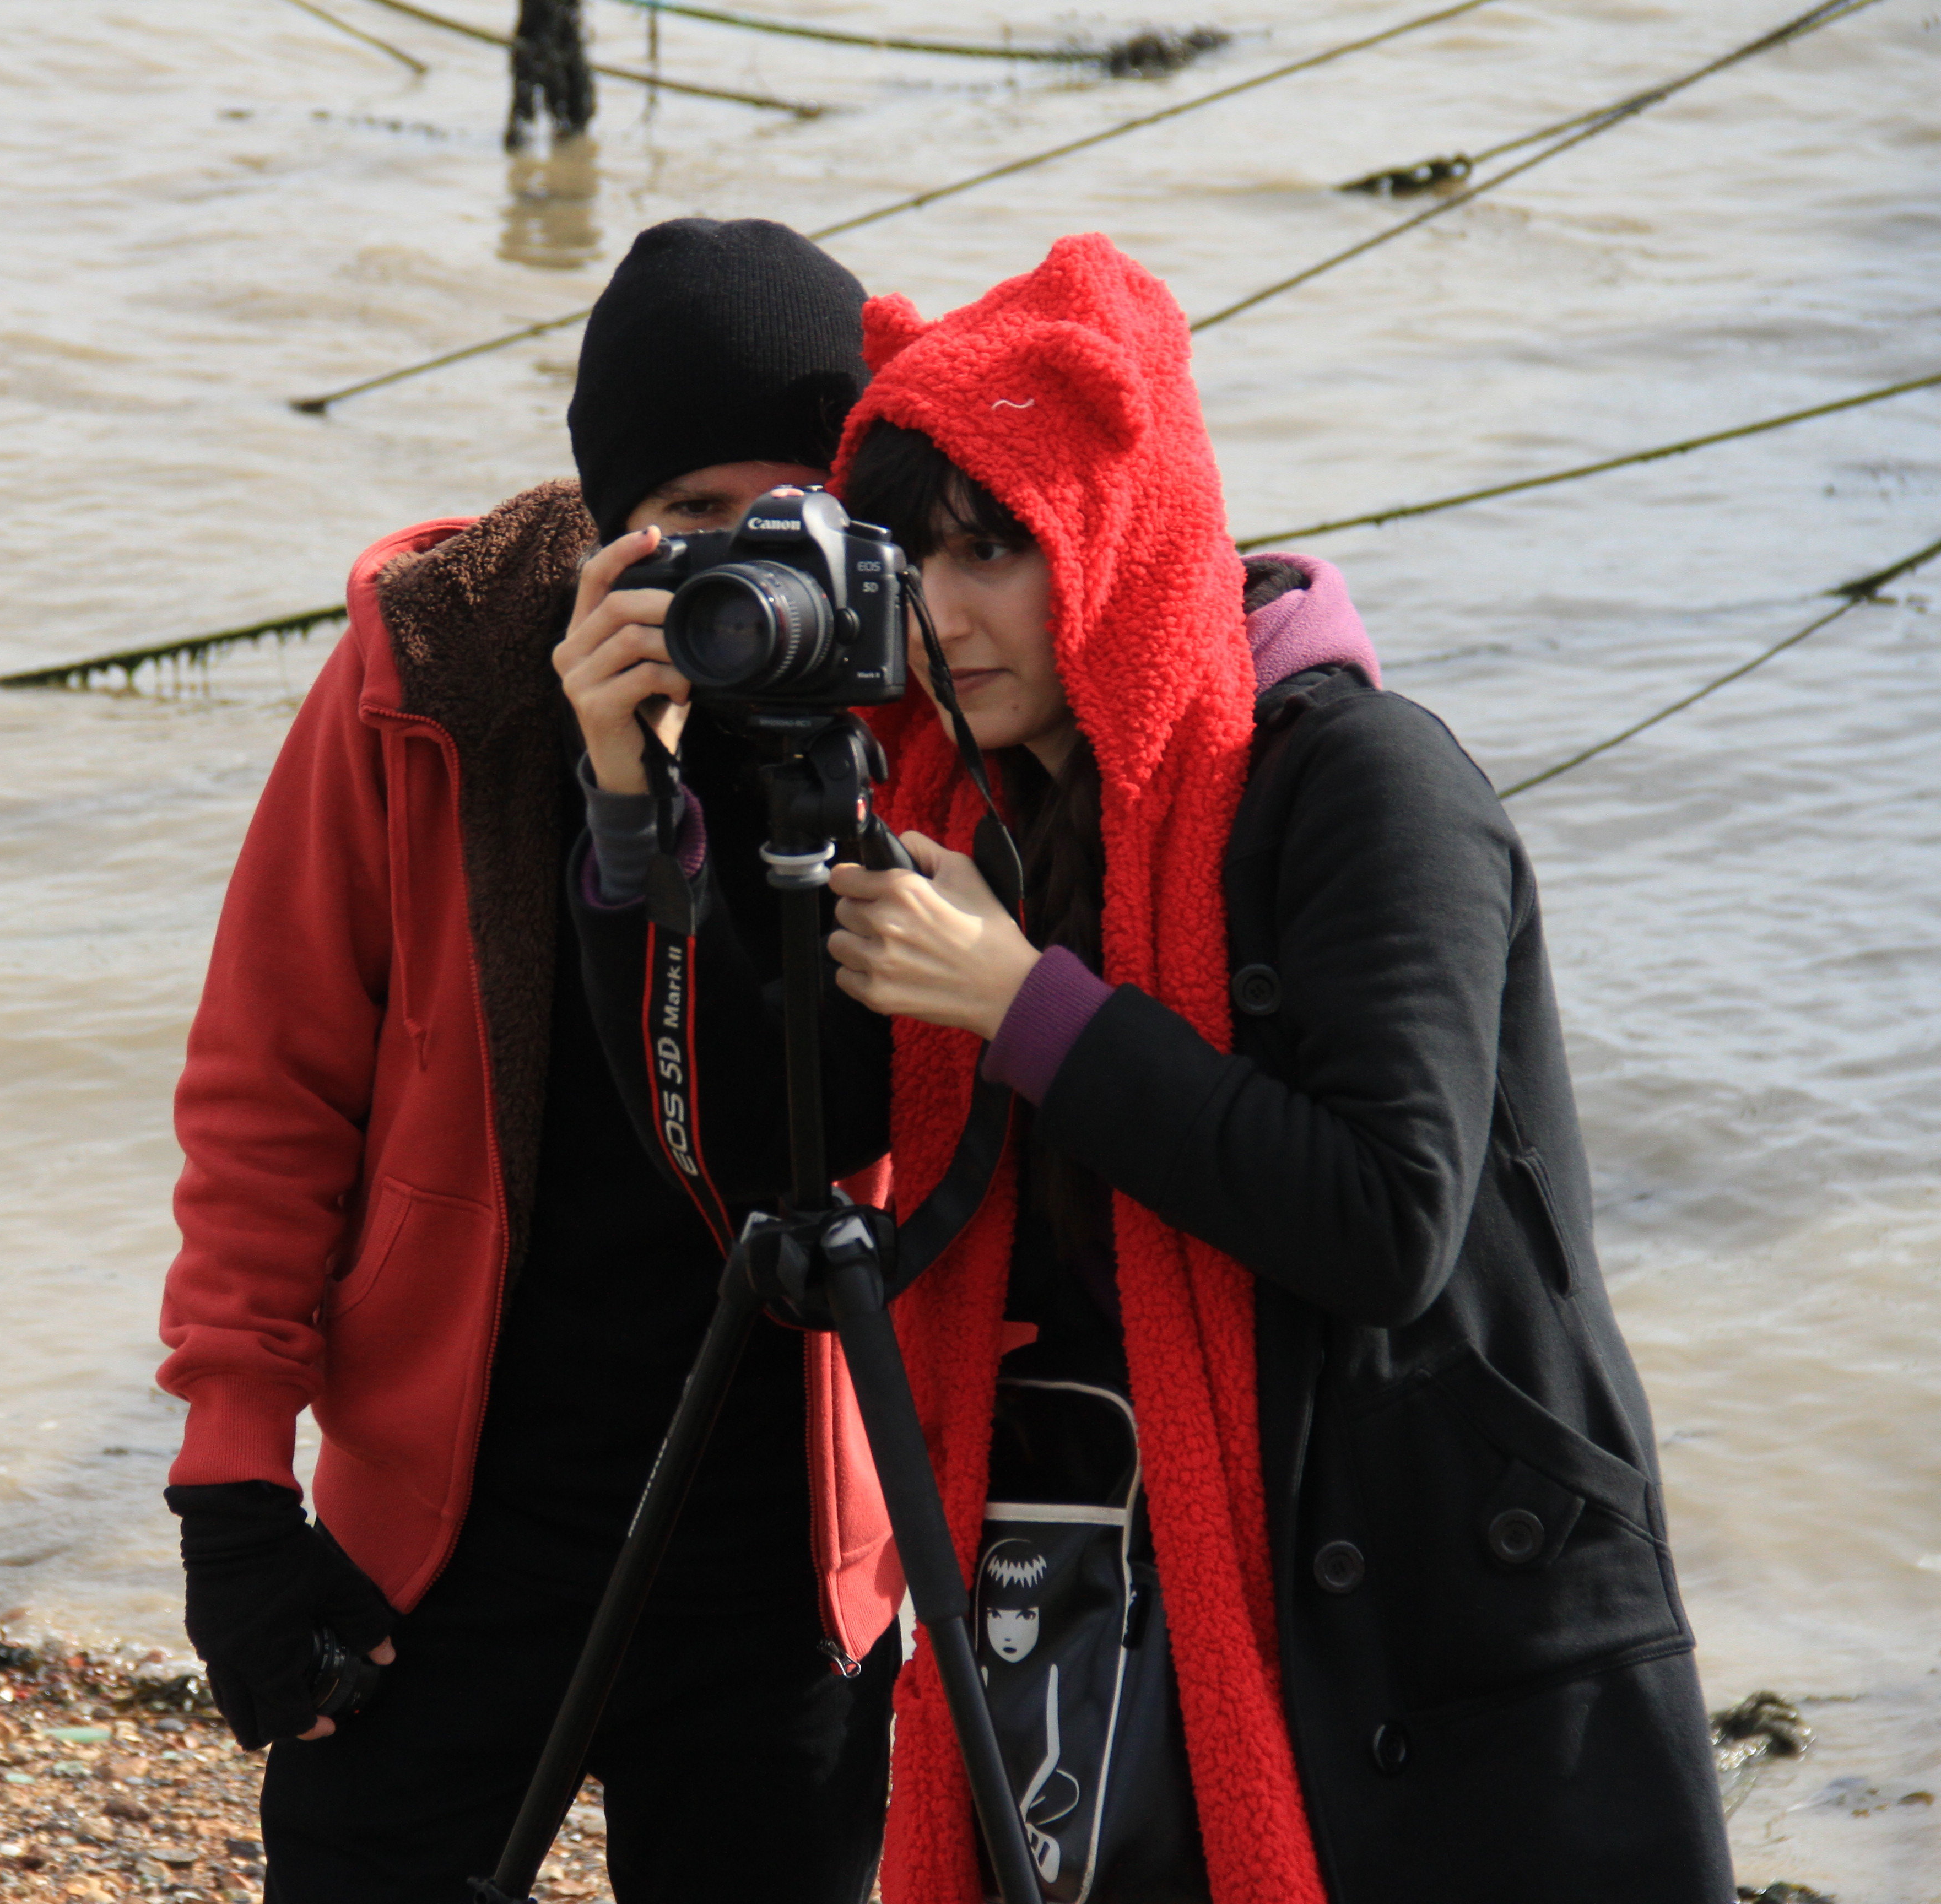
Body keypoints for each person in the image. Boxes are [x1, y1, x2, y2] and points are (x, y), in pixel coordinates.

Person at [811, 236, 1733, 1901]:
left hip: (1445, 1629)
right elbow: (795, 1160)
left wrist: (1028, 1008)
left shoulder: (1368, 785)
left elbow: (1389, 1220)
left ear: (1118, 532)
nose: (944, 617)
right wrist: (630, 818)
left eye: (997, 549)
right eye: (914, 562)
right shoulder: (989, 828)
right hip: (1140, 1608)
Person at [154, 217, 906, 1903]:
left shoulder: (909, 685)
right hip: (453, 1530)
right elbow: (270, 1087)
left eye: (794, 514)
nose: (748, 573)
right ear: (603, 519)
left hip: (780, 1547)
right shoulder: (441, 672)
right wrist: (231, 1489)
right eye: (692, 520)